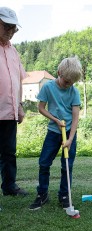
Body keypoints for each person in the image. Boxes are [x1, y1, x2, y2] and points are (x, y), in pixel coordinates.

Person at [29, 57, 82, 210]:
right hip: (53, 131)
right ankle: (42, 194)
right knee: (44, 163)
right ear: (59, 73)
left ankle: (64, 195)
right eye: (66, 82)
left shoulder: (74, 91)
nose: (69, 86)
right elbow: (41, 108)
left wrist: (70, 139)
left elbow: (75, 116)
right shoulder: (48, 87)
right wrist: (56, 120)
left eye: (72, 83)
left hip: (69, 131)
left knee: (67, 166)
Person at [0, 6, 28, 204]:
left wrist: (19, 105)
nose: (10, 32)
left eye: (13, 29)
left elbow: (18, 80)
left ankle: (9, 187)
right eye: (6, 27)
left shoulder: (13, 51)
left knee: (9, 151)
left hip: (9, 112)